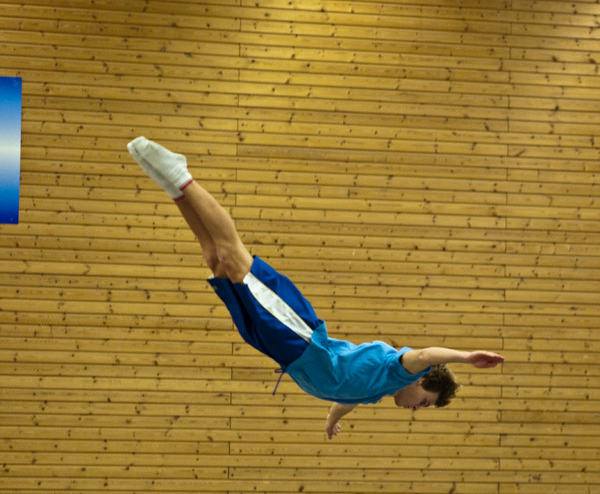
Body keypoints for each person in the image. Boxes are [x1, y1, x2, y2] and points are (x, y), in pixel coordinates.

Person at [127, 137, 505, 439]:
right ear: (423, 380)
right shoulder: (402, 369)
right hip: (300, 337)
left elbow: (346, 398)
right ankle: (181, 176)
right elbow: (425, 353)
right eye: (425, 402)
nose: (416, 409)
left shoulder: (378, 390)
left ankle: (174, 189)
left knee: (217, 262)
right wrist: (466, 356)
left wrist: (331, 419)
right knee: (232, 257)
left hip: (282, 351)